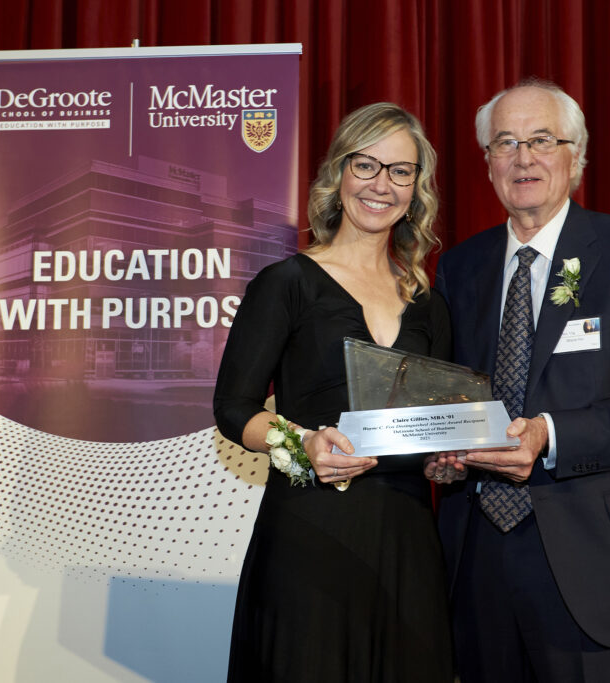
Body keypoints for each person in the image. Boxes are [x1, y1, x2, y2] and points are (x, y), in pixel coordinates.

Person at [426, 79, 610, 682]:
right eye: (505, 143)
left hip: (598, 561)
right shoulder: (459, 266)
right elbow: (449, 391)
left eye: (542, 140)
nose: (523, 158)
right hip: (477, 558)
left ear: (575, 156)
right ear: (488, 164)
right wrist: (438, 445)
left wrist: (549, 434)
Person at [214, 102, 454, 683]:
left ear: (416, 189)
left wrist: (451, 461)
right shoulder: (286, 284)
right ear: (339, 173)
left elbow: (443, 419)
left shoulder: (429, 300)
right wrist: (302, 445)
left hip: (406, 543)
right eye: (366, 165)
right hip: (309, 532)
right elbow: (233, 410)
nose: (381, 185)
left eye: (401, 171)